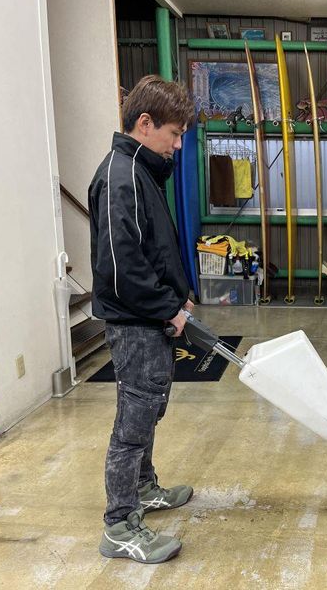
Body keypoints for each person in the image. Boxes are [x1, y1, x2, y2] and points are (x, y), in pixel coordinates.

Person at [89, 75, 195, 564]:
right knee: (133, 423)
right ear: (145, 123)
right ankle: (119, 524)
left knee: (149, 409)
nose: (177, 145)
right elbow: (121, 268)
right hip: (135, 324)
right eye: (174, 134)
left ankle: (145, 487)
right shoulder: (119, 176)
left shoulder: (141, 172)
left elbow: (154, 250)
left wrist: (180, 299)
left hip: (151, 318)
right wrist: (167, 307)